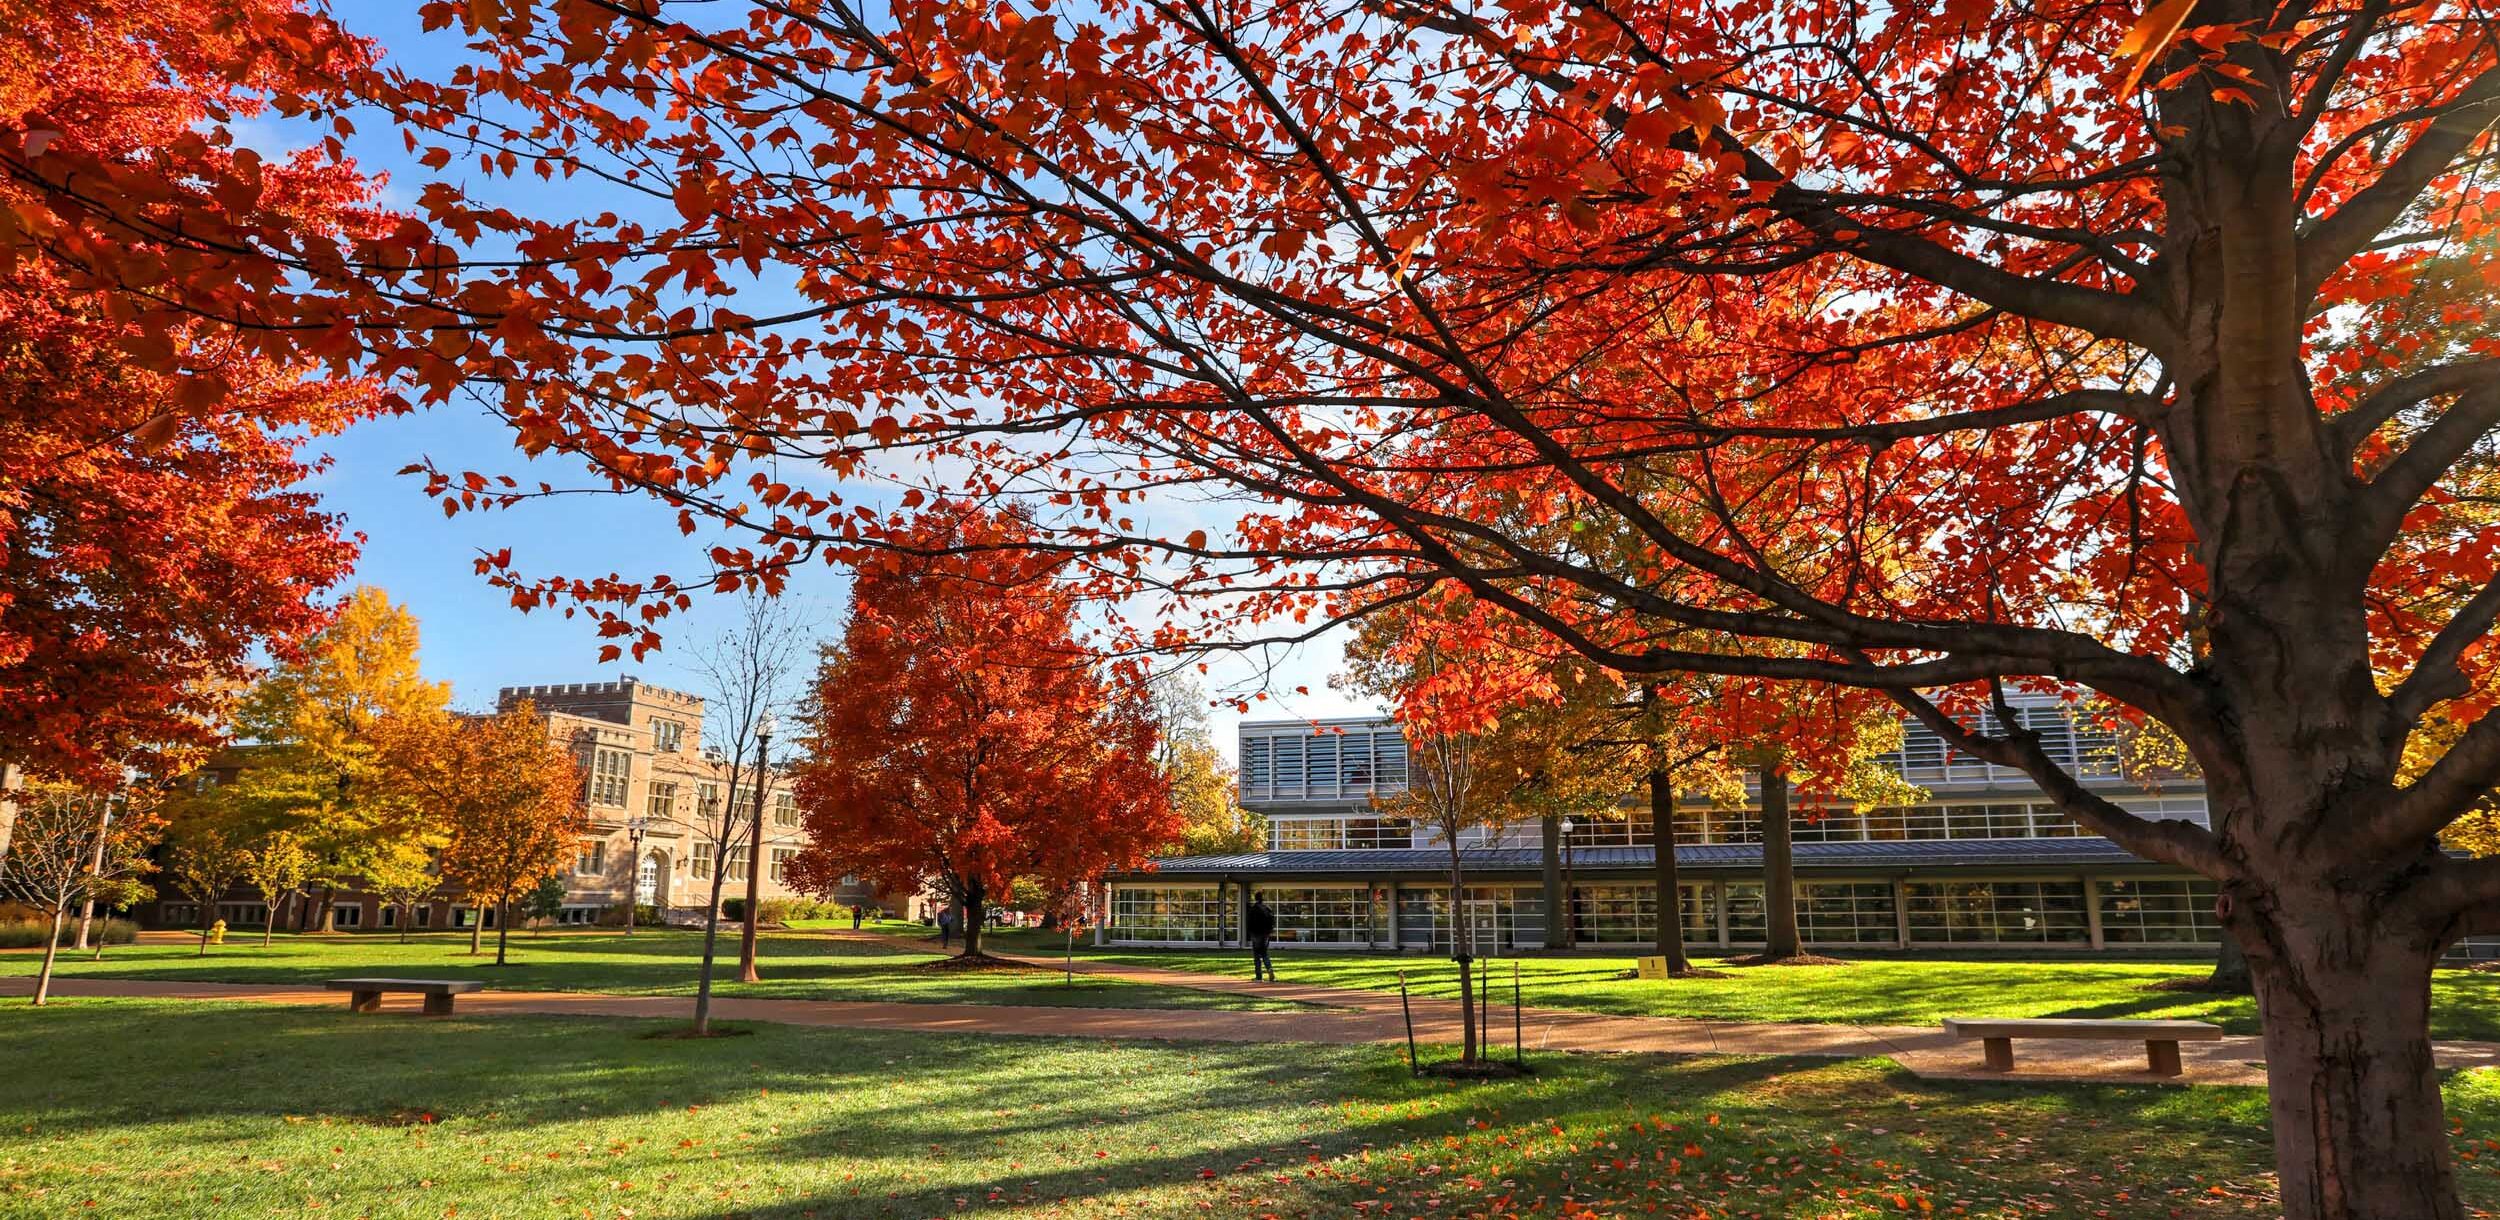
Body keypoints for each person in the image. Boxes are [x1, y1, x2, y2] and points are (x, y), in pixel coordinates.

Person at [1247, 895, 1278, 982]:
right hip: (1265, 934)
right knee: (1264, 953)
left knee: (1256, 956)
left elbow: (1249, 922)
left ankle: (1259, 976)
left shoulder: (1253, 909)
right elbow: (1272, 921)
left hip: (1256, 934)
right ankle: (1269, 969)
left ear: (1255, 899)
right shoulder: (1267, 909)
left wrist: (1250, 933)